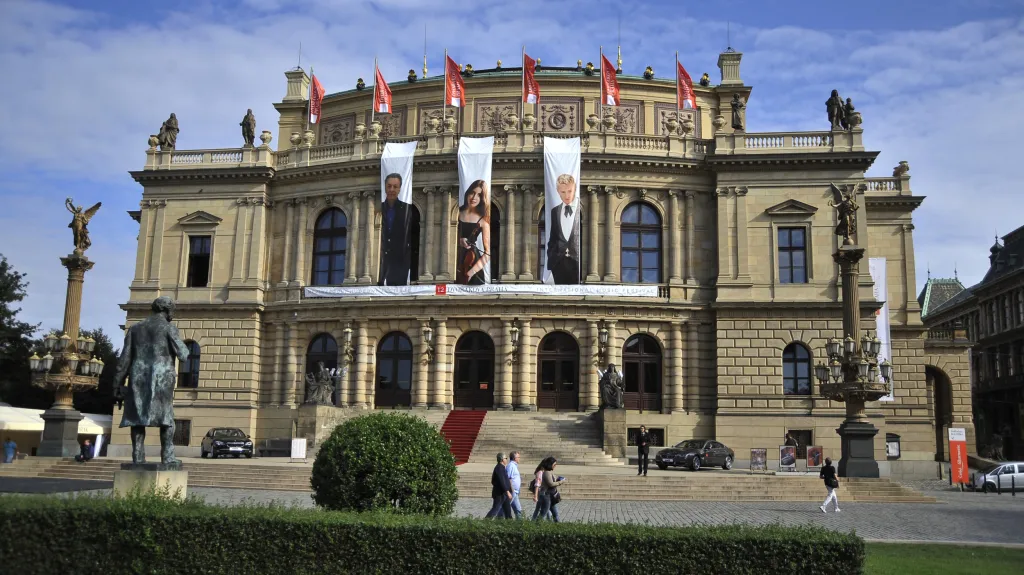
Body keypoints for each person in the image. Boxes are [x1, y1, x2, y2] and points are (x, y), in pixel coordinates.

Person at [113, 296, 191, 465]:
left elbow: (124, 360)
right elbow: (184, 354)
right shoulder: (169, 328)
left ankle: (138, 456)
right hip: (161, 377)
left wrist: (117, 384)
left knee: (137, 419)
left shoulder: (134, 329)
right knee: (166, 418)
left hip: (138, 377)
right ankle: (168, 456)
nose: (173, 313)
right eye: (173, 310)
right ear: (168, 310)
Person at [378, 173, 413, 286]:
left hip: (400, 262)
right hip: (380, 262)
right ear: (385, 188)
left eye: (395, 186)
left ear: (400, 189)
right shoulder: (379, 208)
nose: (391, 189)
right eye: (389, 186)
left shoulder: (407, 209)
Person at [546, 173, 581, 285]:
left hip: (577, 263)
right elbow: (553, 238)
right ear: (557, 191)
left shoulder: (581, 210)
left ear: (575, 189)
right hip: (558, 263)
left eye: (570, 191)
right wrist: (551, 259)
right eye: (563, 192)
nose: (567, 196)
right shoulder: (555, 211)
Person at [456, 180, 491, 285]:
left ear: (482, 198)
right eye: (472, 192)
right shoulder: (455, 213)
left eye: (479, 195)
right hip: (455, 260)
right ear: (467, 193)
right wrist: (458, 241)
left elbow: (487, 253)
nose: (474, 197)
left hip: (472, 263)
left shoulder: (484, 222)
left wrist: (471, 272)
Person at [535, 456, 565, 522]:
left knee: (555, 514)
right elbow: (551, 484)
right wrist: (560, 482)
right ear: (550, 464)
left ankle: (558, 527)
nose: (555, 466)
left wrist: (557, 480)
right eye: (554, 464)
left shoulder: (549, 472)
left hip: (550, 496)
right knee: (543, 513)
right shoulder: (546, 473)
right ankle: (536, 526)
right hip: (546, 496)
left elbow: (552, 482)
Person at [484, 452, 512, 519]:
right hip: (500, 494)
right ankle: (485, 521)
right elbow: (502, 481)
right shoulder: (499, 468)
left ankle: (510, 523)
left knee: (507, 510)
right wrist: (507, 492)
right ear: (502, 459)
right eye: (506, 458)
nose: (507, 460)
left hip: (503, 493)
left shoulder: (502, 468)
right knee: (495, 509)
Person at [506, 451, 523, 518]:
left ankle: (520, 524)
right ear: (514, 458)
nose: (519, 458)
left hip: (515, 491)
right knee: (504, 508)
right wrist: (512, 491)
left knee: (518, 509)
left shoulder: (514, 466)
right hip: (512, 491)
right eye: (518, 457)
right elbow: (508, 478)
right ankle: (498, 520)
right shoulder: (511, 466)